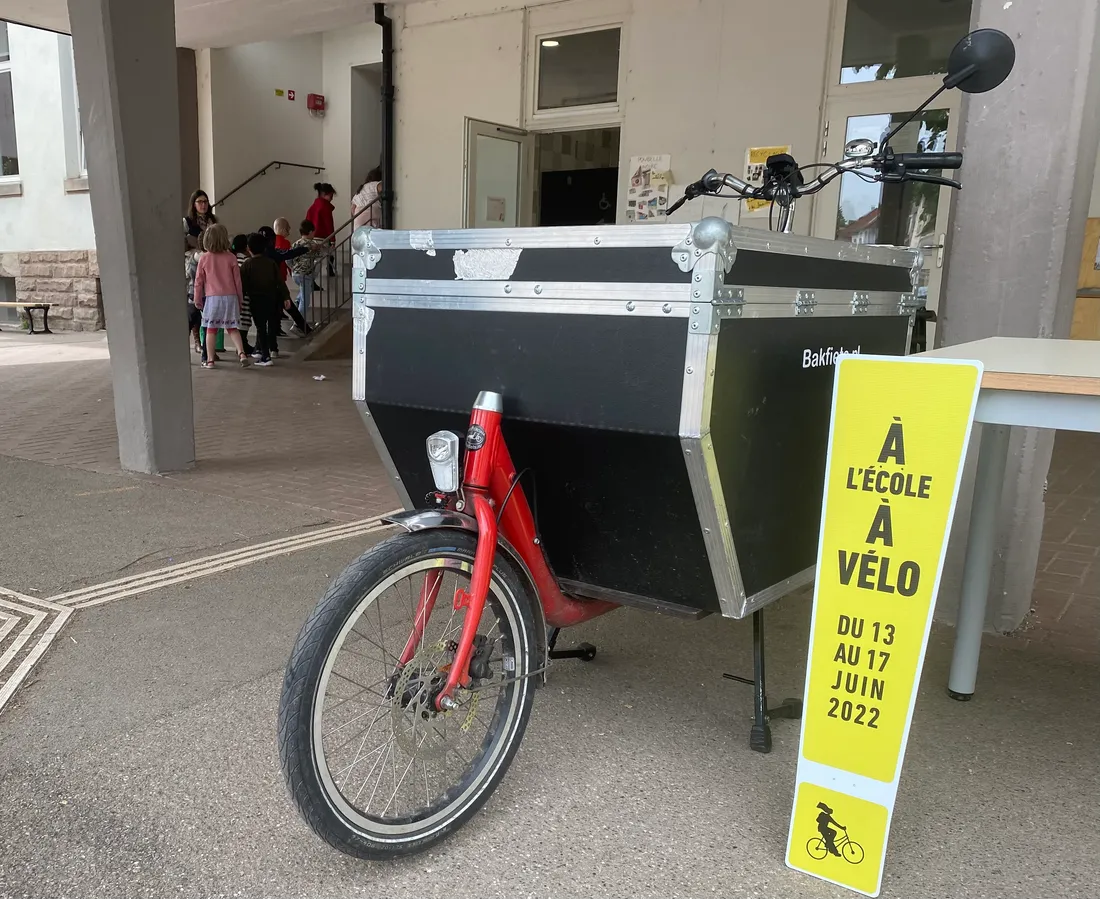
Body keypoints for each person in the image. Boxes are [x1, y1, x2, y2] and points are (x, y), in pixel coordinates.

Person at [193, 224, 251, 369]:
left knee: (211, 329)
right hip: (231, 297)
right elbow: (238, 282)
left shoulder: (204, 258)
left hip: (213, 298)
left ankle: (210, 360)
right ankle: (242, 353)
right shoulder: (231, 257)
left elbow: (198, 282)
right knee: (232, 328)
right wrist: (239, 299)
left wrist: (197, 299)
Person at [240, 232, 292, 367]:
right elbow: (280, 281)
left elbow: (243, 286)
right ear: (264, 248)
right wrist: (286, 297)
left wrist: (240, 300)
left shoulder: (247, 264)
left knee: (261, 328)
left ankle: (265, 356)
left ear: (248, 248)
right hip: (272, 299)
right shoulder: (271, 263)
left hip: (256, 301)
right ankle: (269, 350)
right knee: (271, 325)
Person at [257, 225, 312, 335]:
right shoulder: (273, 253)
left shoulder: (258, 255)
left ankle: (276, 330)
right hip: (276, 287)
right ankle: (305, 329)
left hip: (263, 287)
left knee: (275, 310)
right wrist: (306, 248)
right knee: (291, 309)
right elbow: (289, 253)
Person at [290, 219, 332, 324]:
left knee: (304, 290)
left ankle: (297, 300)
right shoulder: (313, 245)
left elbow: (288, 259)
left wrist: (293, 267)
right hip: (306, 274)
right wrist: (327, 249)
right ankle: (298, 324)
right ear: (310, 232)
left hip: (295, 274)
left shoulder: (295, 244)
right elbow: (321, 256)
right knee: (306, 301)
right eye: (313, 232)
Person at [306, 182, 338, 278]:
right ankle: (330, 269)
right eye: (331, 196)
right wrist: (332, 240)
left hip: (311, 236)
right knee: (330, 253)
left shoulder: (312, 207)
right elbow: (329, 224)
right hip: (322, 237)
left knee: (314, 258)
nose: (332, 198)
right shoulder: (325, 207)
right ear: (324, 194)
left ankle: (311, 276)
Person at [185, 229, 204, 356]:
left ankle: (198, 343)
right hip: (194, 290)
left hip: (193, 290)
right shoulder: (194, 256)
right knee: (193, 318)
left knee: (195, 317)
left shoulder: (195, 256)